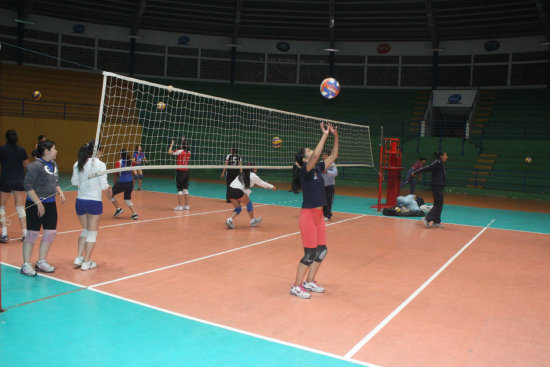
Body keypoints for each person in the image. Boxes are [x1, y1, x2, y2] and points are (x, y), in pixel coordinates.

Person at [290, 122, 338, 299]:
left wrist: (335, 135)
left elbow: (334, 155)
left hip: (319, 216)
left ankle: (309, 281)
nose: (313, 153)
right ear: (304, 160)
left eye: (312, 151)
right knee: (309, 254)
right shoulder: (305, 171)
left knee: (322, 251)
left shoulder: (318, 168)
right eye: (309, 152)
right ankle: (295, 286)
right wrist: (324, 134)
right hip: (308, 216)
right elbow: (317, 154)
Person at [21, 139, 66, 276]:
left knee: (50, 233)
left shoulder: (53, 164)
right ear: (46, 151)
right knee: (32, 234)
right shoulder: (34, 166)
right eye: (54, 148)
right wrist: (38, 203)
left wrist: (60, 191)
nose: (56, 151)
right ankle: (26, 264)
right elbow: (28, 187)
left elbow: (54, 182)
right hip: (35, 204)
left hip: (50, 204)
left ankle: (41, 262)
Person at [71, 140, 112, 271]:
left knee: (85, 229)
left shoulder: (78, 163)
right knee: (92, 233)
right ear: (98, 151)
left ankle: (79, 257)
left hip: (80, 201)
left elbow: (73, 182)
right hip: (94, 202)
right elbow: (104, 185)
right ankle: (86, 262)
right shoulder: (100, 164)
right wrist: (109, 188)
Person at [0, 130, 29, 243]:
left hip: (6, 180)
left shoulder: (2, 149)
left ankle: (4, 233)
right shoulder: (21, 150)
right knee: (20, 206)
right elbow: (27, 164)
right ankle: (25, 233)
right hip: (19, 180)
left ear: (6, 139)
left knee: (1, 206)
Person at [225, 165, 276, 229]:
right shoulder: (253, 175)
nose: (256, 169)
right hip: (237, 191)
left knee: (238, 208)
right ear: (254, 169)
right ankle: (253, 221)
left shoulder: (242, 174)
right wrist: (271, 186)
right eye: (256, 167)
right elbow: (261, 183)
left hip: (229, 191)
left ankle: (229, 219)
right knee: (249, 203)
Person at [412, 151, 447, 228]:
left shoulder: (440, 163)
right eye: (445, 155)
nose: (446, 157)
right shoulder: (437, 162)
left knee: (439, 204)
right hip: (437, 186)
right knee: (438, 204)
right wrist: (416, 172)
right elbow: (427, 168)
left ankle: (436, 221)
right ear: (441, 156)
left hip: (439, 186)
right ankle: (427, 219)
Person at [110, 149, 138, 220]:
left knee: (109, 194)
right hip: (130, 183)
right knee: (127, 200)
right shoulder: (131, 162)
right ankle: (134, 214)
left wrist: (115, 184)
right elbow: (135, 174)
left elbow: (116, 174)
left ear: (120, 155)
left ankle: (118, 209)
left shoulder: (119, 162)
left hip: (122, 182)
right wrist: (133, 183)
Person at [168, 137, 191, 210]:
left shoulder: (180, 151)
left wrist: (171, 144)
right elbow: (185, 147)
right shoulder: (189, 152)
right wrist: (183, 140)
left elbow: (169, 152)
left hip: (180, 172)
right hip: (186, 172)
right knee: (186, 189)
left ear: (182, 146)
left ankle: (180, 206)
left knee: (180, 190)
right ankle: (186, 205)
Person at [321, 152, 338, 221]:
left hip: (330, 185)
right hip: (321, 185)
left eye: (325, 155)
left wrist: (327, 172)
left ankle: (327, 215)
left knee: (329, 201)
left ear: (328, 156)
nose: (324, 156)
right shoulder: (320, 163)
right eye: (323, 155)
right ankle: (324, 214)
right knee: (322, 201)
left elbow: (335, 173)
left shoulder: (332, 163)